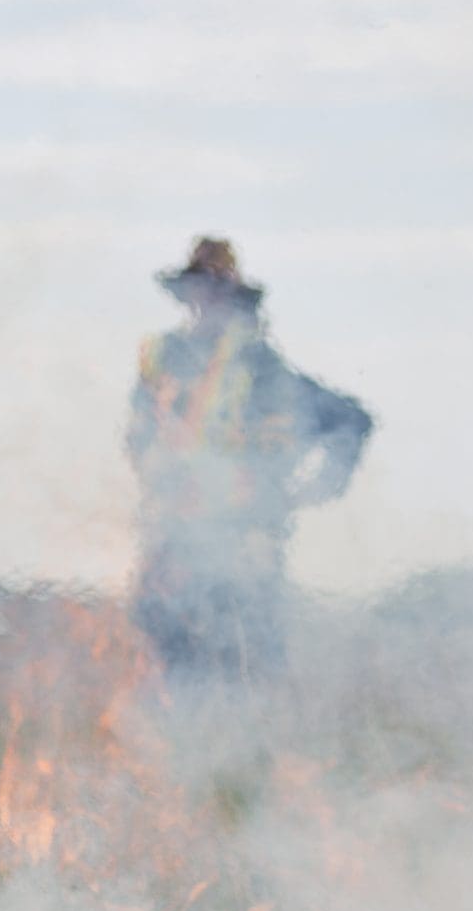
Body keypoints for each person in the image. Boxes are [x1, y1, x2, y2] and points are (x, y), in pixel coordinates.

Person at [126, 238, 373, 683]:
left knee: (248, 665)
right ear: (187, 297)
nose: (208, 303)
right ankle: (184, 749)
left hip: (243, 546)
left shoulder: (260, 366)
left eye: (218, 292)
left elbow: (351, 420)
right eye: (200, 292)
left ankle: (253, 748)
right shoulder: (161, 361)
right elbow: (138, 441)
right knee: (172, 666)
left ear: (234, 300)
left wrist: (318, 488)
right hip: (173, 544)